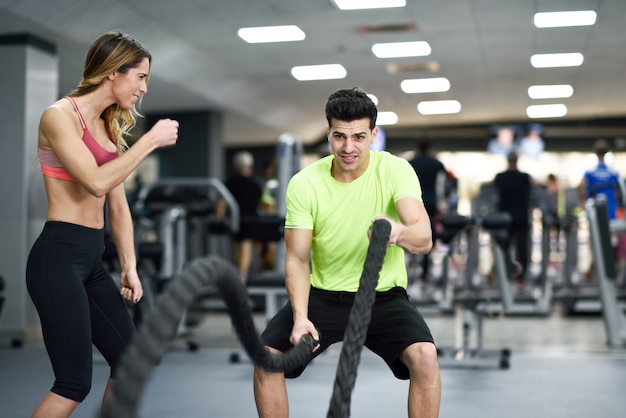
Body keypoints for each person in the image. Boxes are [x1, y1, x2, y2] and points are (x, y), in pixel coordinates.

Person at [253, 87, 441, 418]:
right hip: (323, 296)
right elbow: (297, 259)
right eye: (339, 136)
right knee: (267, 359)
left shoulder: (395, 170)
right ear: (328, 133)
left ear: (373, 135)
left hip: (383, 297)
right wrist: (300, 317)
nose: (348, 147)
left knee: (425, 358)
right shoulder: (305, 182)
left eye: (358, 136)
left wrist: (399, 232)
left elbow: (424, 238)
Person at [25, 31, 179, 417]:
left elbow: (118, 207)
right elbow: (95, 182)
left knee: (129, 362)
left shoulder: (108, 127)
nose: (143, 88)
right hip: (57, 257)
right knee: (74, 382)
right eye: (140, 77)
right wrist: (150, 141)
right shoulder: (59, 116)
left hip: (91, 260)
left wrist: (129, 266)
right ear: (113, 72)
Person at [216, 150, 263, 283]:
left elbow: (222, 202)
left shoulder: (231, 182)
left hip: (239, 220)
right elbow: (222, 201)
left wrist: (219, 217)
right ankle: (242, 274)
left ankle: (241, 273)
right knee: (244, 247)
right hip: (248, 220)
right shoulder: (253, 183)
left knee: (240, 247)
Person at [409, 139, 447, 281]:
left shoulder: (411, 163)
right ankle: (425, 269)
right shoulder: (436, 164)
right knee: (428, 234)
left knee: (411, 232)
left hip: (414, 202)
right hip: (431, 204)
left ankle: (413, 265)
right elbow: (441, 185)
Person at [493, 151, 533, 284]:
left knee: (504, 247)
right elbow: (530, 196)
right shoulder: (525, 177)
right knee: (522, 248)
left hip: (505, 218)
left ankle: (505, 273)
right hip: (521, 216)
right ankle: (521, 275)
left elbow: (496, 197)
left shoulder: (500, 177)